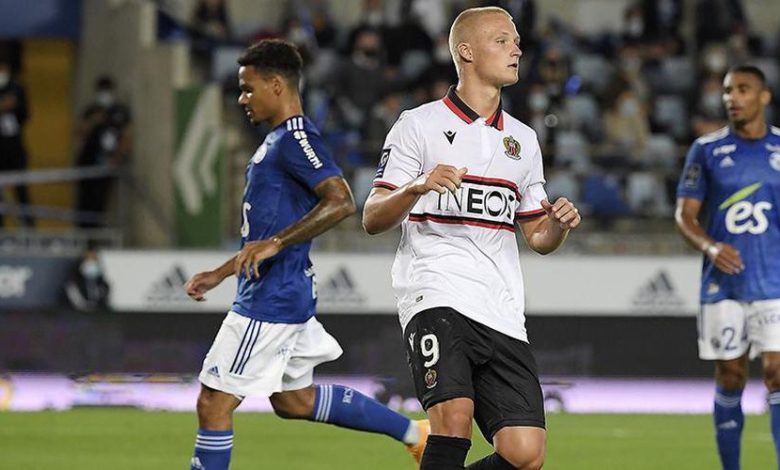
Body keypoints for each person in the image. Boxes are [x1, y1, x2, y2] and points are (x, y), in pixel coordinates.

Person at [183, 39, 428, 470]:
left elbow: (341, 200)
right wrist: (221, 272)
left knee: (213, 403)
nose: (242, 99)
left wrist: (277, 244)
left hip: (270, 298)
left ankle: (414, 434)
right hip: (280, 289)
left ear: (276, 85)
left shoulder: (295, 139)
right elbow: (262, 235)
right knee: (294, 401)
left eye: (248, 88)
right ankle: (415, 434)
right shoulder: (277, 140)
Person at [363, 7, 581, 470]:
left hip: (501, 309)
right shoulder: (418, 124)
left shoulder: (523, 140)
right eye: (502, 40)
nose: (516, 49)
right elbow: (373, 216)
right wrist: (416, 186)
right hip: (435, 293)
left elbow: (538, 236)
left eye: (516, 41)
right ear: (466, 51)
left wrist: (558, 224)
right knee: (453, 420)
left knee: (525, 454)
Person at [675, 64, 780, 470]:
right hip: (724, 284)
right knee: (732, 374)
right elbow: (685, 215)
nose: (732, 98)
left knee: (776, 371)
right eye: (727, 91)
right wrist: (710, 246)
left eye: (743, 89)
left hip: (774, 281)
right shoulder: (706, 150)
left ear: (764, 97)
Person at [75, 76, 132, 228]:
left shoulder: (119, 111)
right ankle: (84, 233)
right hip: (88, 162)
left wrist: (117, 158)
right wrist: (93, 121)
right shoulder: (91, 110)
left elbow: (126, 137)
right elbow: (81, 133)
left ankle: (96, 233)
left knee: (99, 202)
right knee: (84, 202)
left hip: (106, 164)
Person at [0, 57, 32, 227]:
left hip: (15, 148)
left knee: (21, 190)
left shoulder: (17, 89)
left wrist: (13, 106)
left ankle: (29, 227)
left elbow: (25, 115)